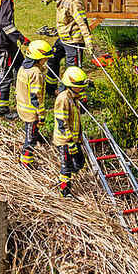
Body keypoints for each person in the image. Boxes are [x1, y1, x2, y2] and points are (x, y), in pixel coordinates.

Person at [43, 0, 95, 95]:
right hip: (63, 39)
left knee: (72, 71)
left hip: (74, 42)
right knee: (52, 59)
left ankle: (69, 97)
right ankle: (50, 90)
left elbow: (82, 22)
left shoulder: (74, 1)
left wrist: (88, 41)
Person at [15, 40, 53, 167]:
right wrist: (41, 115)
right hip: (31, 112)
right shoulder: (35, 73)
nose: (46, 60)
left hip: (22, 106)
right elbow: (36, 97)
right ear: (39, 58)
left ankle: (38, 137)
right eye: (45, 58)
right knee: (30, 139)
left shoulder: (23, 68)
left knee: (32, 130)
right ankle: (26, 162)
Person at [52, 67, 89, 196]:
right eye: (79, 86)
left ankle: (71, 177)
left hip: (74, 138)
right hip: (65, 140)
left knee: (80, 162)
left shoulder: (74, 97)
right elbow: (62, 123)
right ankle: (64, 191)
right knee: (66, 167)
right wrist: (70, 142)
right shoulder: (63, 99)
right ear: (71, 85)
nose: (82, 88)